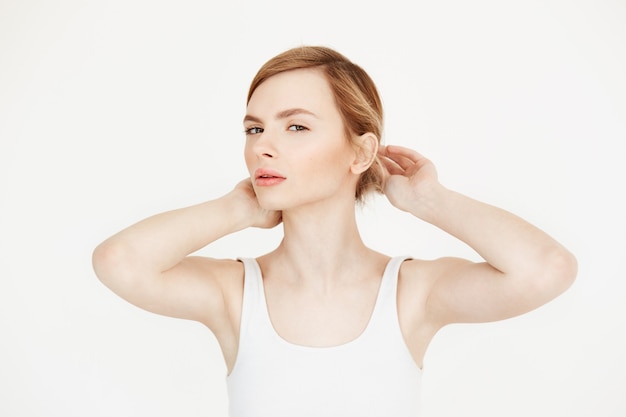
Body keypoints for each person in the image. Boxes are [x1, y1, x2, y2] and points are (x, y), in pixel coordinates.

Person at [92, 46, 577, 416]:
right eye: (254, 129)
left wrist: (429, 200)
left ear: (361, 153)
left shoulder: (411, 293)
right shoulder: (235, 293)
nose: (264, 147)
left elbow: (546, 270)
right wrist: (236, 210)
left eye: (296, 127)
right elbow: (119, 261)